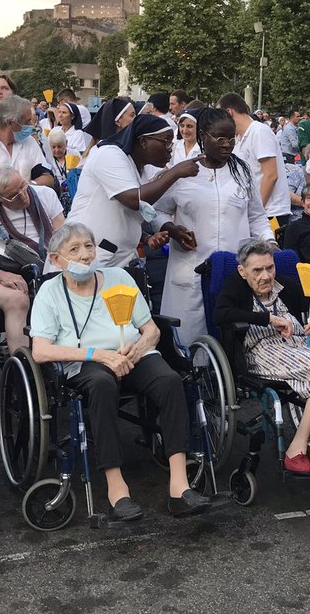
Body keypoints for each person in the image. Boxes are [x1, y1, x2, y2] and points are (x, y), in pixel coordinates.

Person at [30, 222, 212, 519]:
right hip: (86, 362)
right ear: (55, 259)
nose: (86, 254)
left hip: (133, 353)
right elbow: (41, 350)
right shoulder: (50, 293)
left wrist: (137, 349)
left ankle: (179, 486)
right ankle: (117, 488)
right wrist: (98, 354)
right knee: (102, 385)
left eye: (89, 246)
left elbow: (150, 329)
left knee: (169, 380)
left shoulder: (118, 278)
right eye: (74, 249)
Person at [214, 238, 310, 473]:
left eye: (269, 268)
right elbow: (220, 314)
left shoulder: (285, 285)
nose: (265, 276)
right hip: (262, 351)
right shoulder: (235, 287)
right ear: (242, 271)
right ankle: (298, 447)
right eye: (257, 270)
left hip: (299, 346)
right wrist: (268, 319)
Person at [153, 107, 274, 340]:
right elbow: (157, 212)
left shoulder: (242, 172)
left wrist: (269, 242)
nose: (227, 145)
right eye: (220, 138)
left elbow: (256, 216)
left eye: (231, 138)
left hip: (232, 269)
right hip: (190, 269)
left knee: (232, 336)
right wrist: (171, 229)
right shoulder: (183, 173)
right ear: (202, 137)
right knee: (189, 337)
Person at [66, 113, 199, 269]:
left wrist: (167, 231)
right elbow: (134, 200)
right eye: (166, 143)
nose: (170, 150)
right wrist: (175, 172)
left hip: (120, 257)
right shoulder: (109, 154)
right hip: (88, 255)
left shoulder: (143, 166)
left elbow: (143, 210)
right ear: (143, 141)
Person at [0, 165, 65, 355]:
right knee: (18, 300)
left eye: (23, 187)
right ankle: (22, 363)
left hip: (45, 265)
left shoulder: (45, 195)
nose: (24, 196)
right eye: (14, 196)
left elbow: (63, 235)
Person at [218, 93, 291, 239]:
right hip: (254, 214)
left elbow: (270, 175)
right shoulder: (239, 137)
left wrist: (255, 211)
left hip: (270, 213)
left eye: (219, 115)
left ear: (229, 112)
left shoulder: (259, 131)